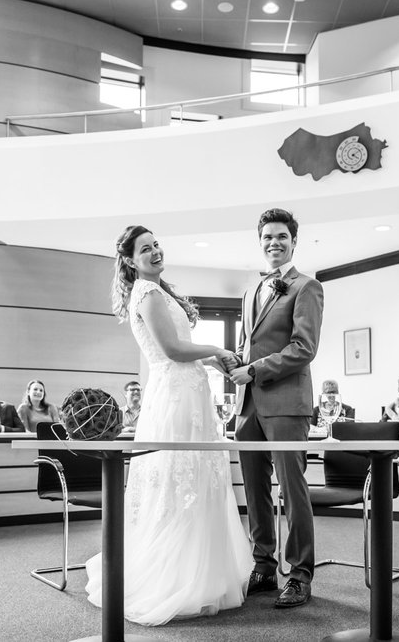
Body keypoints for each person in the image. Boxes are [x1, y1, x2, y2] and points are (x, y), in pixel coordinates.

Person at [85, 225, 251, 626]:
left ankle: (203, 573)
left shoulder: (160, 291)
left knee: (198, 480)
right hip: (175, 399)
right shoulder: (146, 292)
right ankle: (175, 578)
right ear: (129, 260)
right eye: (145, 249)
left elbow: (181, 353)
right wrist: (217, 348)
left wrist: (212, 362)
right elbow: (172, 350)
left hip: (187, 391)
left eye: (156, 245)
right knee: (182, 482)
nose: (155, 251)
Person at [229, 208, 323, 609]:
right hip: (248, 406)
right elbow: (248, 344)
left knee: (292, 488)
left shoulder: (308, 287)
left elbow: (304, 349)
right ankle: (264, 566)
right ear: (260, 241)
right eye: (267, 236)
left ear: (294, 241)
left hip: (286, 403)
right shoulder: (251, 291)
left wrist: (253, 370)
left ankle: (300, 574)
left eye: (282, 236)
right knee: (254, 490)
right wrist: (232, 360)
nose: (274, 242)